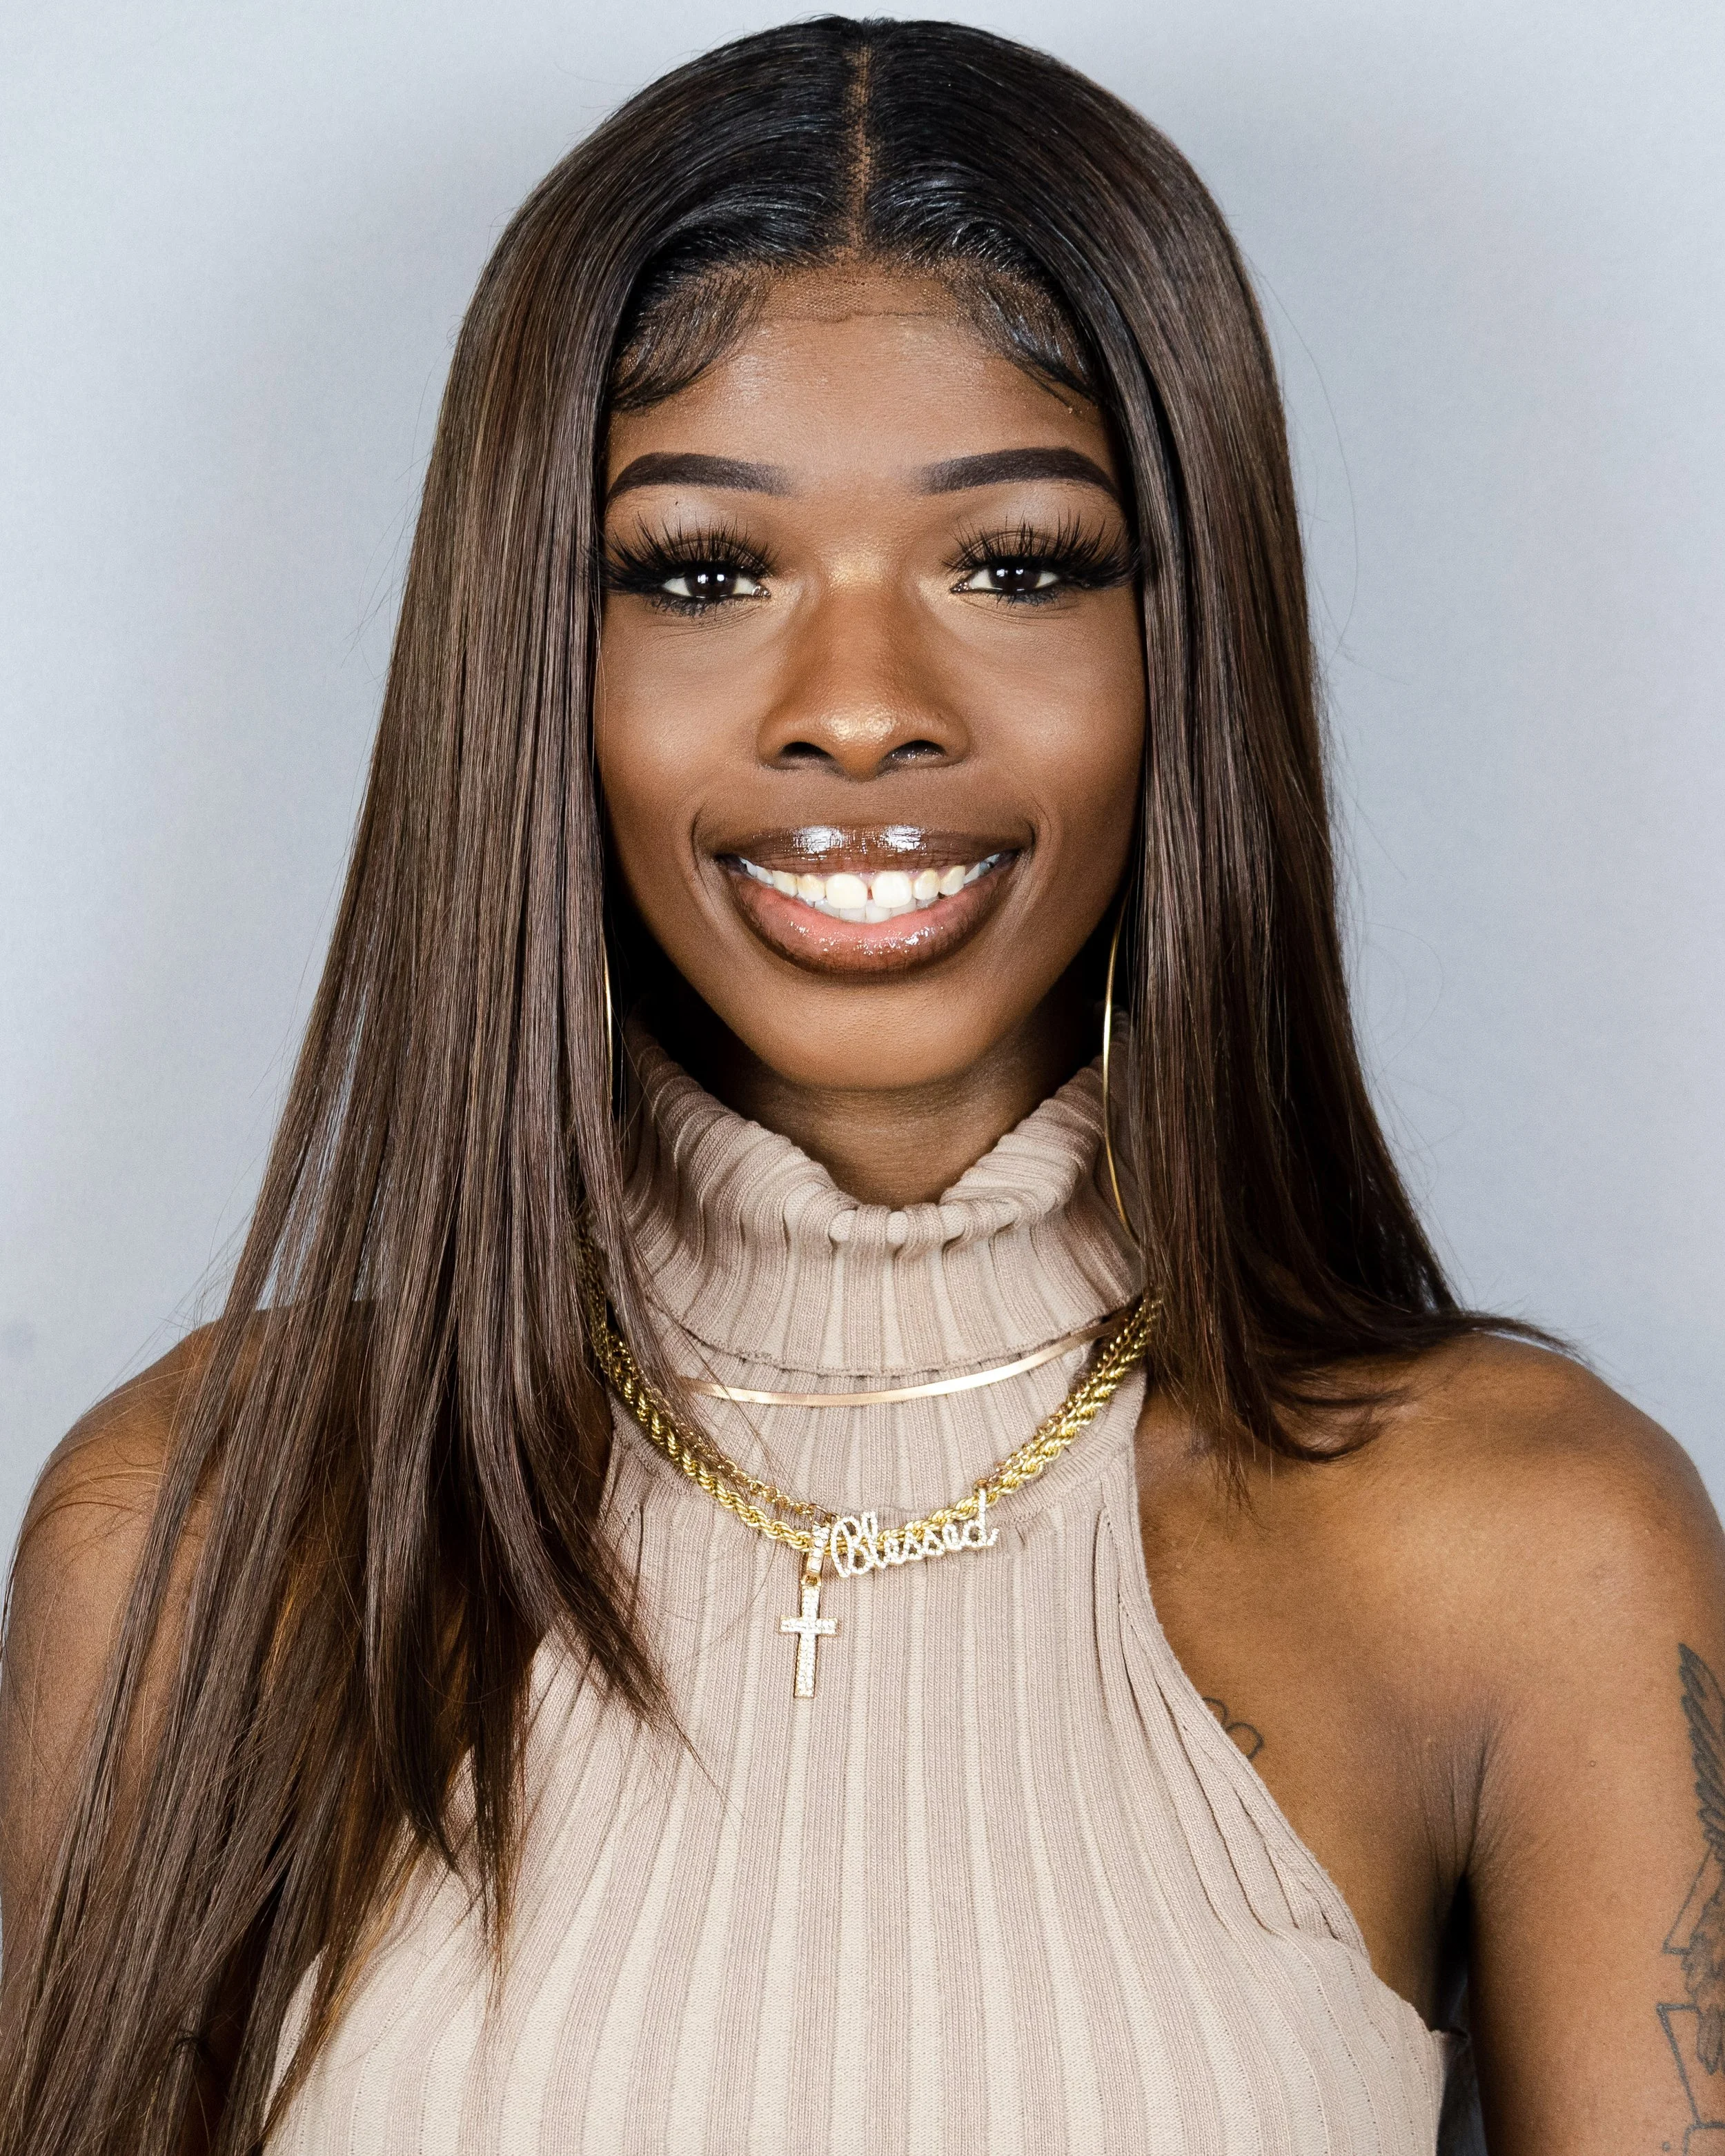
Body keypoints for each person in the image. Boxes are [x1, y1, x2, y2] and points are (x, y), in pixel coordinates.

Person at [1, 17, 1719, 2155]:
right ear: (539, 652)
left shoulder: (1523, 1539)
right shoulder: (201, 1530)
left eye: (1018, 563)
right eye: (701, 573)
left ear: (1186, 635)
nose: (861, 710)